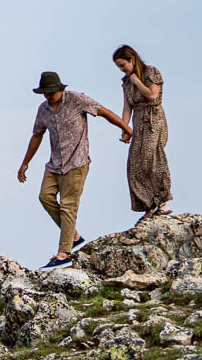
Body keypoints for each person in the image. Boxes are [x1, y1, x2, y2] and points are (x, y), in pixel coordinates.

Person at [17, 71, 132, 269]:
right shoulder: (43, 109)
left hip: (76, 163)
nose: (48, 96)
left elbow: (104, 112)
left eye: (51, 92)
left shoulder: (77, 100)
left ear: (60, 89)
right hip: (54, 164)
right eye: (45, 93)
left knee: (68, 205)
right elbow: (37, 135)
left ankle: (64, 254)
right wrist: (25, 163)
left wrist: (126, 129)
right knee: (45, 196)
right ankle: (74, 236)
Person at [113, 44, 172, 223]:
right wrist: (125, 128)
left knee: (151, 159)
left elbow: (153, 96)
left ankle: (162, 200)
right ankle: (148, 204)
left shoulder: (150, 73)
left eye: (123, 65)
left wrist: (137, 81)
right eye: (119, 67)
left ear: (132, 59)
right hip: (138, 122)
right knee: (135, 165)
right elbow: (127, 106)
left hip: (153, 120)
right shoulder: (125, 82)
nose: (122, 69)